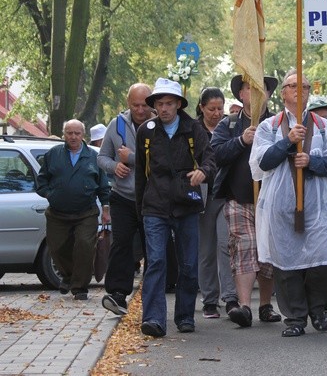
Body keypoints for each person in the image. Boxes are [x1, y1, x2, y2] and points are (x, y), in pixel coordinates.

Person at [250, 70, 327, 338]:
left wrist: (312, 162)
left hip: (317, 203)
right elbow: (262, 163)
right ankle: (294, 317)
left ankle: (318, 309)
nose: (299, 90)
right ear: (283, 93)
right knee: (286, 260)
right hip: (281, 203)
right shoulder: (268, 126)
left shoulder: (325, 126)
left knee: (323, 258)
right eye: (293, 86)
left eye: (304, 86)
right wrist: (288, 141)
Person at [135, 78, 216, 338]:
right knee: (156, 261)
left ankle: (184, 316)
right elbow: (140, 175)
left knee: (189, 265)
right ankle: (154, 319)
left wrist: (203, 172)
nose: (164, 108)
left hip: (186, 205)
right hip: (155, 206)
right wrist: (141, 210)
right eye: (159, 104)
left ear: (178, 104)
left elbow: (210, 159)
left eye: (169, 103)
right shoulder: (146, 131)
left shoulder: (194, 129)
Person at [210, 74, 281, 327]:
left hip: (271, 199)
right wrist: (242, 141)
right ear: (241, 95)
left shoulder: (279, 123)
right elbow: (215, 155)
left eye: (262, 89)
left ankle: (265, 305)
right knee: (245, 246)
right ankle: (243, 306)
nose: (258, 93)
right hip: (238, 199)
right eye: (251, 89)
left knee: (267, 254)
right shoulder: (228, 125)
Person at [36, 119, 111, 300]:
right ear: (64, 135)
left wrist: (106, 210)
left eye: (77, 133)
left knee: (84, 246)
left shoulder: (94, 156)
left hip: (86, 212)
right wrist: (50, 195)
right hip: (57, 213)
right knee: (57, 248)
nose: (73, 136)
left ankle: (80, 288)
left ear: (83, 135)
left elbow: (103, 186)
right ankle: (68, 276)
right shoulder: (53, 154)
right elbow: (41, 181)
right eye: (69, 133)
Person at [98, 83, 153, 315]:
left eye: (144, 105)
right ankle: (117, 295)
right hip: (122, 196)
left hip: (151, 198)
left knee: (153, 248)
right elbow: (102, 157)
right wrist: (114, 167)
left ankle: (152, 295)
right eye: (135, 105)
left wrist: (129, 158)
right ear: (128, 103)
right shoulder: (117, 124)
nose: (140, 110)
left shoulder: (159, 125)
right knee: (121, 244)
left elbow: (161, 160)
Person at [194, 87, 238, 320]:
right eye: (211, 109)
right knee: (206, 249)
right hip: (201, 196)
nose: (216, 113)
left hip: (224, 193)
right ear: (201, 108)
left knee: (226, 245)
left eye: (220, 108)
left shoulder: (229, 127)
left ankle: (230, 297)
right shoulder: (193, 129)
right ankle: (209, 299)